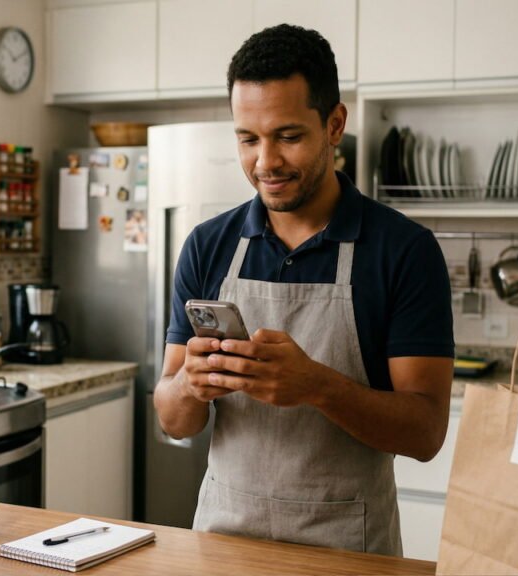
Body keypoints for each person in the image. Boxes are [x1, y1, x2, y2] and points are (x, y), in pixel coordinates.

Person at [152, 24, 454, 556]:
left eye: (287, 136)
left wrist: (317, 386)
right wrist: (190, 386)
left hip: (348, 550)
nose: (265, 162)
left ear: (335, 124)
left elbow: (426, 433)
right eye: (248, 138)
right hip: (224, 540)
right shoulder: (207, 245)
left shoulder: (404, 251)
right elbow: (174, 417)